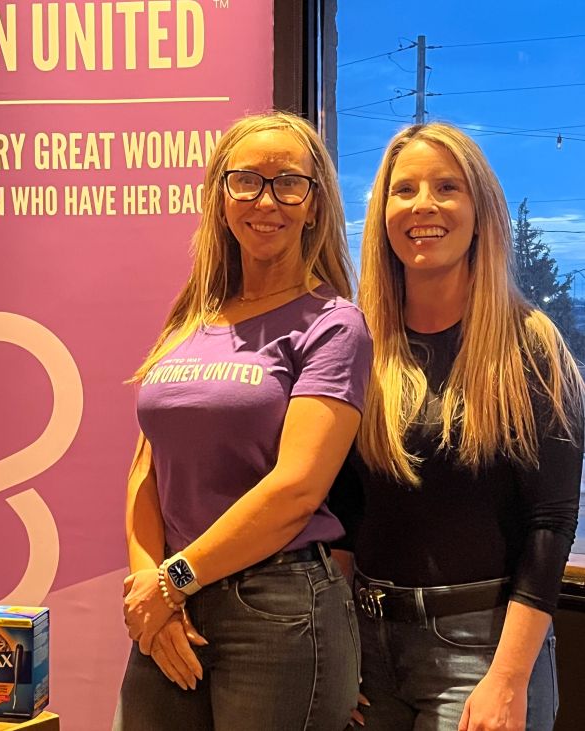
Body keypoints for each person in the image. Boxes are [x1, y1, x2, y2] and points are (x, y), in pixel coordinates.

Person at [114, 111, 372, 731]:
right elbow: (147, 468)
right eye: (247, 180)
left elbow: (297, 489)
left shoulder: (334, 325)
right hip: (175, 603)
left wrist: (172, 582)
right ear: (220, 197)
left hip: (278, 609)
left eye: (290, 183)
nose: (267, 200)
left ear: (314, 205)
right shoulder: (192, 319)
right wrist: (150, 585)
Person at [330, 122, 583, 731]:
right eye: (405, 189)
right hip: (367, 650)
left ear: (481, 211)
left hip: (483, 652)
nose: (424, 205)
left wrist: (509, 678)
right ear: (383, 213)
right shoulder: (360, 346)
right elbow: (345, 514)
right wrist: (340, 644)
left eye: (447, 187)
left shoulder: (531, 347)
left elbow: (550, 525)